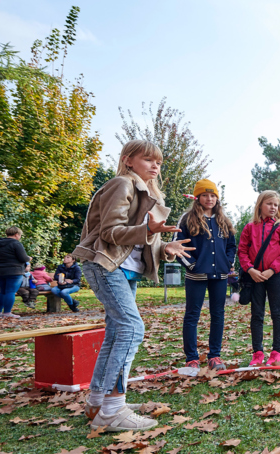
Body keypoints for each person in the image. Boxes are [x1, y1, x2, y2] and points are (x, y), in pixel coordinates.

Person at [73, 139, 193, 432]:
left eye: (159, 162)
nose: (155, 166)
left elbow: (138, 241)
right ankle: (113, 410)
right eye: (148, 159)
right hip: (107, 265)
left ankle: (98, 401)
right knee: (131, 328)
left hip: (125, 270)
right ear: (128, 160)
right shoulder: (122, 184)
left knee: (116, 332)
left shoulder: (147, 192)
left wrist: (164, 246)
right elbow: (110, 232)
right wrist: (148, 230)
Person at [177, 180, 237, 371]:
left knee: (218, 314)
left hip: (219, 276)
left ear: (217, 198)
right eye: (205, 195)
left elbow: (231, 246)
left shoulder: (224, 221)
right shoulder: (187, 219)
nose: (209, 199)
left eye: (213, 196)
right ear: (198, 197)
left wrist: (227, 264)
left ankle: (215, 355)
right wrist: (192, 265)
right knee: (192, 315)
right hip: (196, 276)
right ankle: (192, 358)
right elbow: (179, 246)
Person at [240, 190, 280, 366]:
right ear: (260, 205)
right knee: (257, 314)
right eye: (269, 203)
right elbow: (242, 251)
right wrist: (250, 269)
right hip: (255, 277)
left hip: (274, 276)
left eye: (276, 205)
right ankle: (257, 352)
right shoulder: (249, 227)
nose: (273, 207)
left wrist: (273, 270)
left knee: (277, 313)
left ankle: (277, 351)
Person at [0, 226, 31, 319]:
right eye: (20, 235)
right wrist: (29, 258)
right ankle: (7, 313)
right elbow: (23, 258)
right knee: (10, 292)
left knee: (2, 291)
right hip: (14, 271)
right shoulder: (16, 243)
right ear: (16, 235)